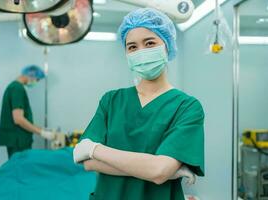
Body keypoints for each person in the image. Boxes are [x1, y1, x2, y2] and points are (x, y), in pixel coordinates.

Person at [73, 8, 205, 200]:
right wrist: (160, 169)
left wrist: (95, 149)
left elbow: (159, 172)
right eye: (132, 47)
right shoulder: (111, 100)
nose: (141, 51)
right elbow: (88, 163)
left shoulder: (186, 107)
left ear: (167, 45)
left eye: (150, 43)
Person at [0, 65, 55, 159]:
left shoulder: (13, 87)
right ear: (31, 75)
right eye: (37, 79)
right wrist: (41, 132)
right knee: (19, 169)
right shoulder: (17, 89)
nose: (36, 82)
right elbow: (18, 119)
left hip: (17, 140)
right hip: (19, 140)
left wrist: (42, 129)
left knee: (17, 168)